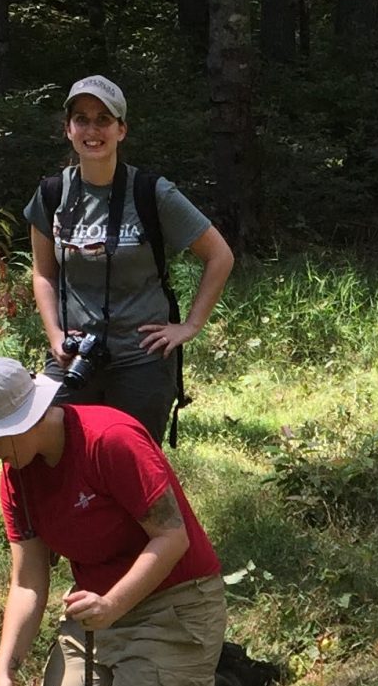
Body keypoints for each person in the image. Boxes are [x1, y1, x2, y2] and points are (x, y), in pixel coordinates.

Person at [0, 356, 225, 686]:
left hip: (173, 605)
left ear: (25, 419)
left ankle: (218, 682)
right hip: (97, 618)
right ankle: (153, 681)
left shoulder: (110, 438)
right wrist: (4, 672)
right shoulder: (16, 478)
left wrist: (112, 603)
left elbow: (172, 538)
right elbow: (27, 583)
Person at [25, 75, 235, 445]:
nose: (93, 129)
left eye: (104, 119)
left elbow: (219, 256)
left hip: (141, 361)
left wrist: (188, 326)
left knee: (133, 466)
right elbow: (43, 273)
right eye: (82, 119)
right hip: (72, 360)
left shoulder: (151, 192)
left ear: (121, 129)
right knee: (59, 457)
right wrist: (55, 336)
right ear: (68, 129)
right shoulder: (52, 193)